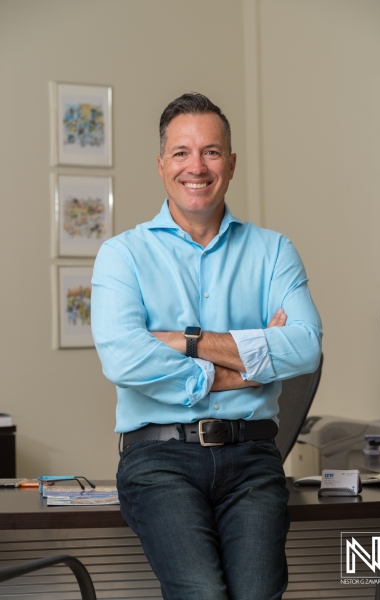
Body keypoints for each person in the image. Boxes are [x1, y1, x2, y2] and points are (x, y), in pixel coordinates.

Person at [91, 92, 322, 600]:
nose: (196, 166)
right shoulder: (121, 256)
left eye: (211, 152)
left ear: (231, 163)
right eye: (181, 152)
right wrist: (245, 365)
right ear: (161, 165)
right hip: (159, 461)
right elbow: (125, 358)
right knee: (201, 592)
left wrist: (185, 340)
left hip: (253, 458)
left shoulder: (274, 251)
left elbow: (304, 348)